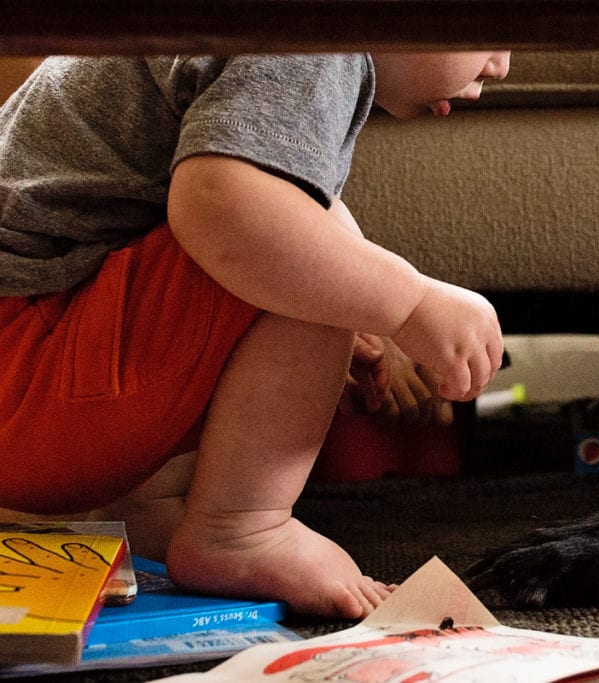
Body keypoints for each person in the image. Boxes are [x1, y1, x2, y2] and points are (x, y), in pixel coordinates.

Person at [0, 50, 510, 619]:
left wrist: (367, 317)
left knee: (301, 222)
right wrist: (409, 303)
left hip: (27, 379)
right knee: (292, 248)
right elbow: (225, 208)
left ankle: (148, 503)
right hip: (23, 381)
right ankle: (242, 529)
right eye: (493, 34)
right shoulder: (310, 44)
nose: (500, 66)